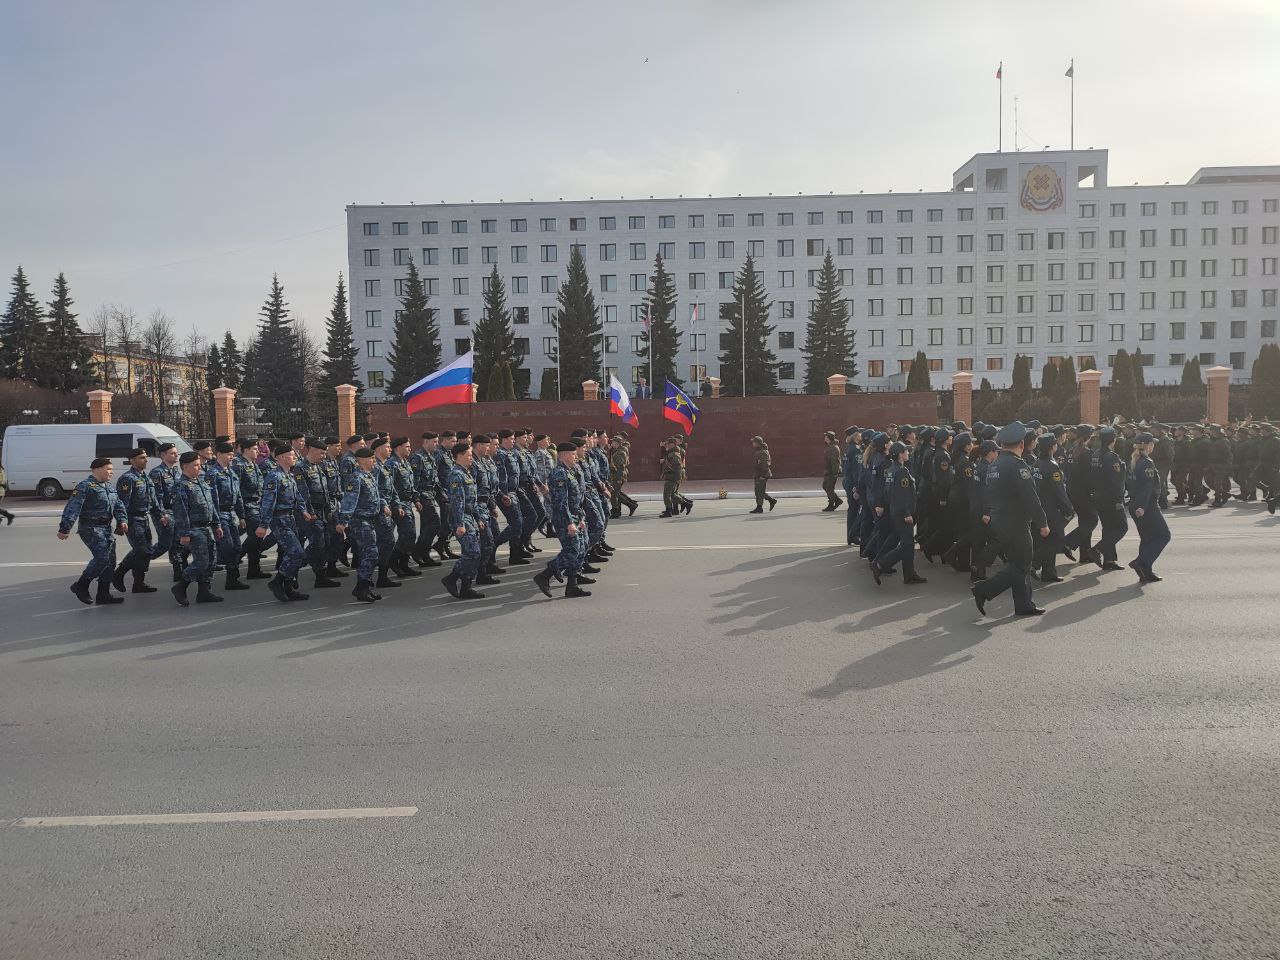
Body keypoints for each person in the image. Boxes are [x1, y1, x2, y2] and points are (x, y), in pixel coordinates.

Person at [972, 422, 1048, 617]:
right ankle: (984, 589)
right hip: (1016, 522)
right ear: (1021, 444)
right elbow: (1031, 497)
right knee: (1023, 565)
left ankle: (1024, 605)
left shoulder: (994, 464)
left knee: (1016, 563)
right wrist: (1043, 523)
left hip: (1000, 521)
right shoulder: (1017, 466)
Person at [57, 457, 128, 605]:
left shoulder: (109, 487)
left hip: (106, 529)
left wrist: (122, 520)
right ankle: (81, 585)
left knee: (111, 562)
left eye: (111, 469)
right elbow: (73, 507)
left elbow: (118, 505)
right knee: (102, 559)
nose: (111, 472)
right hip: (90, 528)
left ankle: (103, 594)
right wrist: (65, 527)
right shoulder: (85, 486)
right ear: (97, 469)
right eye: (108, 469)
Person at [533, 441, 592, 598]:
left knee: (582, 547)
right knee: (572, 550)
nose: (575, 457)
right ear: (564, 455)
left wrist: (581, 518)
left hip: (575, 515)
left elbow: (578, 498)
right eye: (573, 454)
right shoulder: (560, 473)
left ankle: (572, 584)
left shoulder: (571, 471)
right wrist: (569, 523)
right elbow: (561, 502)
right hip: (564, 518)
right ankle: (545, 575)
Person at [257, 442, 310, 602]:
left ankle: (288, 587)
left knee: (292, 553)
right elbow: (268, 502)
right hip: (279, 519)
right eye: (291, 455)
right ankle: (277, 582)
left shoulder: (288, 474)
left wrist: (303, 510)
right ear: (281, 457)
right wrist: (263, 525)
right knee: (297, 553)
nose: (294, 457)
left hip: (290, 517)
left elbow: (297, 495)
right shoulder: (275, 476)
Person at [170, 451, 223, 607]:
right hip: (194, 529)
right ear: (185, 466)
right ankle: (180, 587)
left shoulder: (201, 482)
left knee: (212, 561)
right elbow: (181, 512)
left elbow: (211, 505)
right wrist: (185, 533)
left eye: (199, 465)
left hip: (207, 527)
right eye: (195, 465)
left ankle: (204, 591)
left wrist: (216, 524)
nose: (199, 468)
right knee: (201, 562)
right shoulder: (180, 486)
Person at [871, 442, 926, 586]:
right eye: (906, 451)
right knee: (907, 544)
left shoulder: (891, 469)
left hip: (896, 511)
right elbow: (902, 495)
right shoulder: (901, 471)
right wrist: (907, 513)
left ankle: (909, 575)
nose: (908, 453)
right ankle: (880, 565)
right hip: (903, 513)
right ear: (901, 454)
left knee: (907, 544)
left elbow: (887, 491)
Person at [335, 447, 384, 602]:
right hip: (361, 521)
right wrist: (343, 522)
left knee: (368, 554)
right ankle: (361, 588)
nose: (374, 461)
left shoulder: (368, 476)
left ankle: (365, 587)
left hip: (370, 520)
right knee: (371, 554)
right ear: (362, 460)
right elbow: (349, 501)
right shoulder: (356, 478)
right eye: (371, 459)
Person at [111, 447, 163, 593]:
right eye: (142, 457)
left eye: (146, 457)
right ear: (132, 461)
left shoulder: (144, 477)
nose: (146, 460)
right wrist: (122, 521)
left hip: (144, 518)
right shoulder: (128, 479)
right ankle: (118, 574)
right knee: (141, 550)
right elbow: (121, 503)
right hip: (133, 519)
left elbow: (153, 500)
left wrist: (161, 515)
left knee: (146, 552)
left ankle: (138, 583)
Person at [293, 438, 341, 590]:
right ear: (312, 450)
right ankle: (293, 568)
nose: (323, 456)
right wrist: (311, 512)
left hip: (322, 511)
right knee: (318, 542)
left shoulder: (319, 467)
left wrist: (328, 511)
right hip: (310, 512)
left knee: (325, 542)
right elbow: (303, 492)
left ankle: (320, 575)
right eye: (321, 453)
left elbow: (325, 491)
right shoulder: (300, 468)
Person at [442, 441, 486, 600]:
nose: (471, 458)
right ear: (459, 456)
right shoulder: (456, 475)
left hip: (469, 517)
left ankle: (466, 587)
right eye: (468, 455)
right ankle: (451, 579)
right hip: (460, 518)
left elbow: (471, 500)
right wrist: (460, 524)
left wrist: (478, 518)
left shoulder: (467, 473)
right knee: (473, 553)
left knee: (474, 553)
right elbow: (457, 501)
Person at [1127, 432, 1171, 583]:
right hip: (1147, 506)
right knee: (1164, 535)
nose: (1154, 446)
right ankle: (1141, 562)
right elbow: (1147, 487)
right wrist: (1142, 507)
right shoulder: (1146, 462)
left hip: (1136, 504)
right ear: (1148, 445)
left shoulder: (1135, 460)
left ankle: (1145, 571)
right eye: (1152, 443)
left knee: (1147, 538)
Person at [206, 442, 250, 592]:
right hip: (221, 514)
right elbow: (211, 499)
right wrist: (216, 521)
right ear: (219, 455)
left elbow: (238, 497)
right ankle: (212, 580)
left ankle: (233, 579)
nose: (231, 457)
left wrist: (242, 516)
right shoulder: (212, 474)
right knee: (228, 547)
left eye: (232, 454)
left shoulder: (232, 473)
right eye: (228, 454)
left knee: (237, 546)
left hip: (232, 514)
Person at [1033, 434, 1074, 584]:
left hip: (1040, 507)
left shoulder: (1037, 463)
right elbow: (1059, 491)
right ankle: (1034, 563)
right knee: (1057, 540)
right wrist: (1069, 509)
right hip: (1050, 508)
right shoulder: (1051, 465)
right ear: (1052, 447)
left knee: (1046, 541)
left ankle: (1049, 572)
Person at [1090, 427, 1128, 572]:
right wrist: (1119, 499)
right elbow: (1116, 481)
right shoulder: (1111, 457)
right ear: (1113, 440)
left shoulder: (1096, 454)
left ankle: (1109, 560)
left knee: (1109, 528)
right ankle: (1098, 549)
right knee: (1121, 527)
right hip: (1111, 498)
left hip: (1098, 497)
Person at [386, 436, 423, 578]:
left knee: (409, 534)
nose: (410, 449)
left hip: (407, 502)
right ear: (399, 447)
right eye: (407, 447)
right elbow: (390, 487)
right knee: (408, 533)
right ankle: (393, 560)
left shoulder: (405, 463)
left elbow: (410, 484)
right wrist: (395, 505)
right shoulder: (392, 464)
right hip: (399, 504)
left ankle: (403, 564)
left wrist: (416, 499)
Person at [750, 436, 777, 513]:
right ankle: (770, 501)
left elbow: (765, 465)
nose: (753, 443)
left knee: (759, 491)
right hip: (759, 473)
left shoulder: (762, 452)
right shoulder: (761, 451)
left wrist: (762, 475)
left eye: (754, 442)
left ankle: (760, 507)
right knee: (759, 491)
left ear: (757, 443)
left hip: (762, 474)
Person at [660, 438, 683, 518]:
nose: (668, 445)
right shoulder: (670, 452)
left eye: (669, 444)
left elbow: (677, 467)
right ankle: (685, 504)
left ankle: (669, 511)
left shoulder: (674, 453)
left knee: (667, 494)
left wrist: (677, 478)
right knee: (671, 494)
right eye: (667, 444)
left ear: (673, 444)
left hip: (672, 477)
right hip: (670, 476)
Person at [821, 431, 843, 511]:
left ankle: (831, 504)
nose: (825, 438)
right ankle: (837, 500)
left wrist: (835, 473)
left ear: (829, 438)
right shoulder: (830, 446)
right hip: (828, 470)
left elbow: (835, 461)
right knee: (825, 486)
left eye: (826, 437)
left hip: (831, 471)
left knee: (829, 488)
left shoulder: (833, 448)